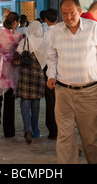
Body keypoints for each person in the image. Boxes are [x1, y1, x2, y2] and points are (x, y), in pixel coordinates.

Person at [46, 0, 97, 164]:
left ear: (79, 11)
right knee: (65, 136)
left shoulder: (93, 28)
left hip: (90, 92)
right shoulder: (55, 31)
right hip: (63, 92)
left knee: (91, 139)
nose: (69, 17)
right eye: (65, 14)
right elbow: (51, 57)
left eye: (72, 13)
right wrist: (51, 75)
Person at [15, 20, 46, 144]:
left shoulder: (25, 41)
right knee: (35, 105)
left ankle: (27, 128)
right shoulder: (44, 42)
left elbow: (17, 55)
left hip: (25, 75)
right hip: (38, 75)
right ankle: (35, 131)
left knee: (24, 104)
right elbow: (47, 60)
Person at [43, 9, 58, 140]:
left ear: (46, 20)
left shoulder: (45, 35)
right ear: (57, 18)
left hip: (48, 71)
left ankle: (53, 130)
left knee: (51, 102)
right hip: (62, 72)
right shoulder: (61, 32)